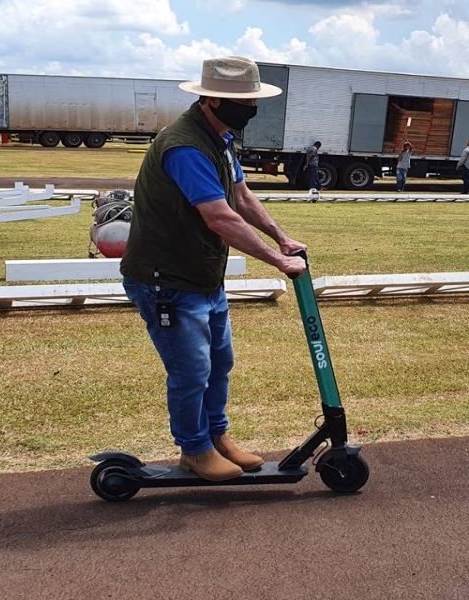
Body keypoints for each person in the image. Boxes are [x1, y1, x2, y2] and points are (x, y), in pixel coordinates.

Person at [120, 56, 308, 482]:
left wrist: (282, 237)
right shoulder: (185, 146)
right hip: (165, 280)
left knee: (219, 363)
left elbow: (240, 196)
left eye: (251, 100)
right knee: (191, 370)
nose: (249, 109)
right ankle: (195, 449)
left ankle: (217, 437)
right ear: (210, 100)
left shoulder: (219, 137)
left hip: (203, 277)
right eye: (239, 101)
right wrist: (278, 261)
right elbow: (220, 217)